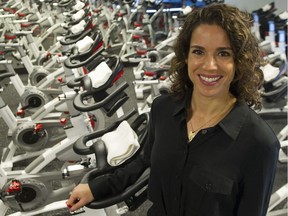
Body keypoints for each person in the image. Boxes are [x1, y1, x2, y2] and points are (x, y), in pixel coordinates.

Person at [67, 3, 280, 216]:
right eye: (198, 51)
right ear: (186, 56)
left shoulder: (259, 143)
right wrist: (96, 187)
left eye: (223, 54)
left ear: (239, 62)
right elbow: (143, 160)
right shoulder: (163, 108)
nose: (209, 65)